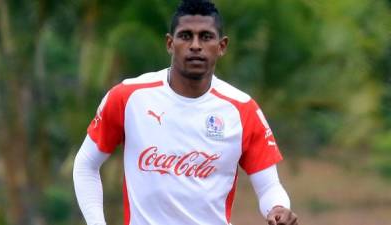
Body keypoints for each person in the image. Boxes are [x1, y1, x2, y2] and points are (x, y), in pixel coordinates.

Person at [73, 0, 298, 225]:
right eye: (186, 36)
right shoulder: (128, 97)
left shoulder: (242, 110)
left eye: (206, 37)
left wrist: (278, 208)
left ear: (222, 46)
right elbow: (86, 165)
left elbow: (269, 186)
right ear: (170, 43)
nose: (196, 45)